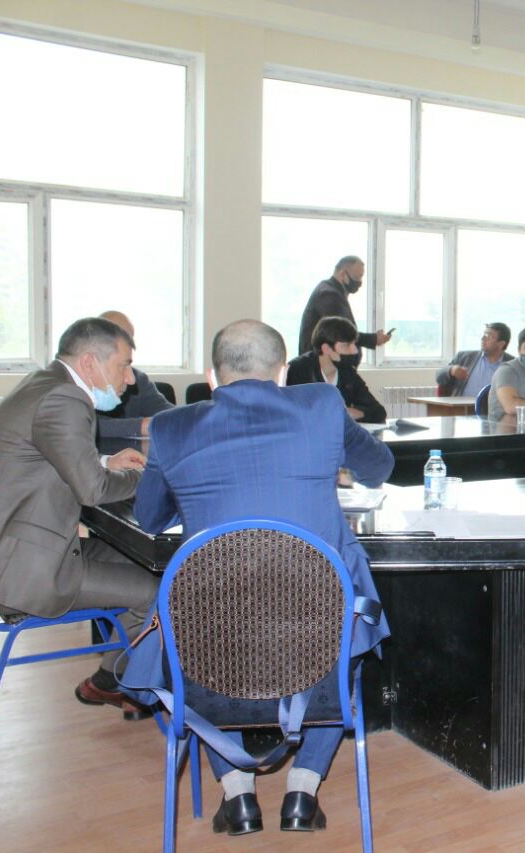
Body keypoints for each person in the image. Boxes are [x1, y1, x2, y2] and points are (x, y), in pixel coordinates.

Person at [127, 319, 394, 836]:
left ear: (211, 376)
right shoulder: (321, 404)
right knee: (351, 629)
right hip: (317, 629)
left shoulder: (170, 427)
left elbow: (151, 517)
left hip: (215, 635)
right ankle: (303, 791)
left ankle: (238, 795)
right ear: (282, 374)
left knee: (191, 643)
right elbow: (379, 468)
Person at [0, 317, 158, 719]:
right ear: (88, 363)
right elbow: (93, 491)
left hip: (20, 546)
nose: (130, 379)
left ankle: (113, 676)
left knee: (142, 562)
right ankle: (121, 681)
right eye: (123, 365)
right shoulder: (66, 398)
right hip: (22, 569)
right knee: (157, 590)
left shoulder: (43, 383)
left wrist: (105, 460)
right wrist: (146, 477)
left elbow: (47, 457)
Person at [286, 316, 387, 423]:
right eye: (346, 345)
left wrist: (356, 413)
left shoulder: (347, 372)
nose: (355, 351)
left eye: (354, 344)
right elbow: (290, 415)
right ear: (326, 348)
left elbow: (379, 411)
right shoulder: (296, 371)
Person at [94, 310, 174, 438]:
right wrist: (143, 426)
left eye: (129, 339)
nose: (130, 380)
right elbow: (84, 426)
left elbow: (167, 412)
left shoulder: (137, 379)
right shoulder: (76, 381)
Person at [296, 255, 393, 358]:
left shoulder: (333, 292)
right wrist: (373, 339)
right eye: (356, 277)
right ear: (342, 274)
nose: (360, 282)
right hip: (318, 364)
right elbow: (343, 332)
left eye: (361, 277)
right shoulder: (329, 295)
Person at [436, 322, 514, 397]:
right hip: (461, 405)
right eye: (484, 334)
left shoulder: (513, 365)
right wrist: (451, 370)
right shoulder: (465, 357)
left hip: (493, 406)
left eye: (489, 336)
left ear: (501, 344)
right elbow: (439, 376)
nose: (483, 338)